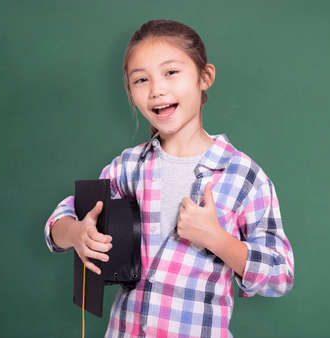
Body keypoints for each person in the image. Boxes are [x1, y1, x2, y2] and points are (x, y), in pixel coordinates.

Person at [44, 19, 294, 337]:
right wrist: (77, 233)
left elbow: (281, 275)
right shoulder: (128, 167)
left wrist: (216, 239)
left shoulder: (243, 176)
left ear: (205, 77)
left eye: (171, 72)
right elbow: (63, 217)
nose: (157, 90)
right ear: (131, 93)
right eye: (141, 80)